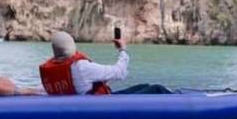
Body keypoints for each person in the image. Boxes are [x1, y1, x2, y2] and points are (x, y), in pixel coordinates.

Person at [39, 30, 174, 95]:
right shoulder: (80, 67)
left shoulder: (51, 70)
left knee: (144, 86)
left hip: (80, 101)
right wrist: (122, 50)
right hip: (99, 104)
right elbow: (120, 72)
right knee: (157, 89)